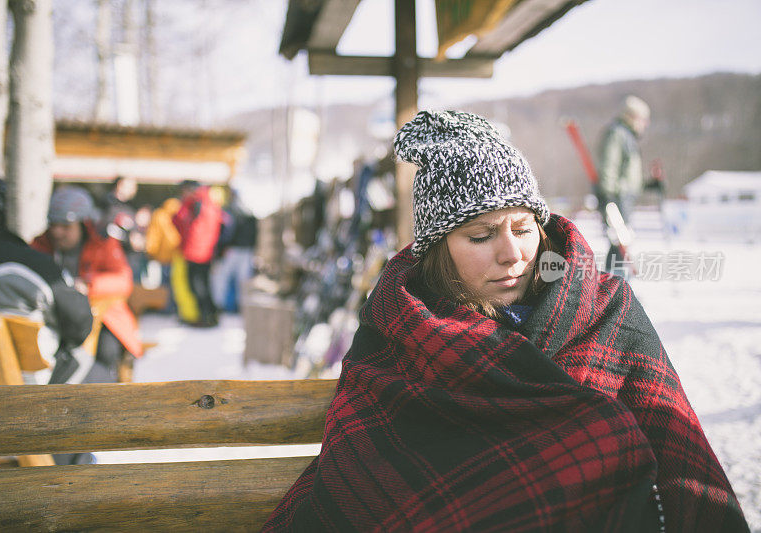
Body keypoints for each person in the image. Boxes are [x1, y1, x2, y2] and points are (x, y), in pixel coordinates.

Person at [264, 111, 749, 532]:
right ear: (437, 251)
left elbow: (684, 459)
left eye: (522, 228)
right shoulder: (398, 332)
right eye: (480, 236)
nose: (512, 253)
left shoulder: (607, 311)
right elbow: (370, 484)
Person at [0, 166, 93, 386]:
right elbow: (80, 323)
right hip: (19, 390)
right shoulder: (29, 263)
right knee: (83, 354)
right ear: (0, 209)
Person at [32, 186, 143, 383]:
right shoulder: (40, 245)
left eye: (66, 226)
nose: (57, 232)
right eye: (53, 224)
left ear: (83, 224)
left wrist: (88, 285)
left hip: (104, 317)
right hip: (57, 317)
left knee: (107, 351)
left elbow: (123, 281)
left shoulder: (103, 243)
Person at [596, 95, 652, 275]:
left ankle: (617, 287)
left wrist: (650, 184)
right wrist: (609, 197)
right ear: (632, 117)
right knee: (618, 243)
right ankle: (612, 289)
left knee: (622, 243)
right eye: (643, 119)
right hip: (616, 198)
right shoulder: (617, 134)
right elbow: (609, 167)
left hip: (624, 197)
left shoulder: (628, 137)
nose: (645, 124)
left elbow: (629, 178)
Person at [172, 180, 221, 327]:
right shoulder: (209, 202)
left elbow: (179, 220)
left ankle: (205, 317)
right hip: (205, 250)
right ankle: (210, 315)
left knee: (197, 286)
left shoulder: (196, 202)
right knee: (204, 285)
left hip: (195, 251)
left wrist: (184, 204)